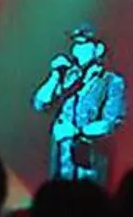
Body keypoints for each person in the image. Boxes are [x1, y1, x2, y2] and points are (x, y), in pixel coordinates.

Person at [32, 23, 126, 186]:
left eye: (83, 44)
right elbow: (40, 103)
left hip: (89, 168)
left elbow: (110, 123)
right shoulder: (69, 78)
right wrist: (55, 76)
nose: (76, 50)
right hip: (62, 165)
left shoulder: (111, 82)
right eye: (75, 44)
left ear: (98, 49)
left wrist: (76, 132)